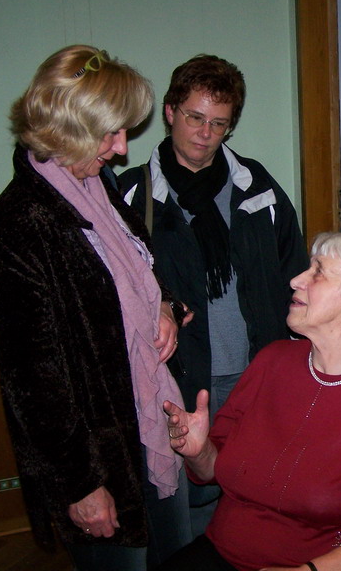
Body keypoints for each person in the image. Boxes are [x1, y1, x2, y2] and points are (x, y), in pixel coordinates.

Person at [0, 45, 192, 570]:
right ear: (65, 128)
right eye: (110, 133)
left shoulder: (94, 190)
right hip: (98, 459)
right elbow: (34, 384)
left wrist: (165, 306)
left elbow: (134, 282)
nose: (121, 149)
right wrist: (82, 485)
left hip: (151, 419)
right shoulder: (16, 229)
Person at [159, 228, 341, 571]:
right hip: (225, 551)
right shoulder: (272, 361)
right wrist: (200, 452)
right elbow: (216, 468)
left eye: (317, 272)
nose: (296, 280)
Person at [115, 54, 308, 531]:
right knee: (185, 510)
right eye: (195, 118)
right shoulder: (132, 196)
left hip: (256, 372)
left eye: (219, 124)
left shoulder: (256, 187)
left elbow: (295, 272)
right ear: (170, 111)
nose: (204, 133)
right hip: (175, 379)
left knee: (255, 495)